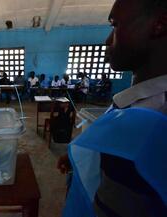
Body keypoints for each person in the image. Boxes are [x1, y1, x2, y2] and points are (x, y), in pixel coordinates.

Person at [58, 0, 167, 216]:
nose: (108, 40)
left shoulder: (153, 121)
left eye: (115, 25)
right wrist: (87, 157)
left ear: (159, 24)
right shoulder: (137, 102)